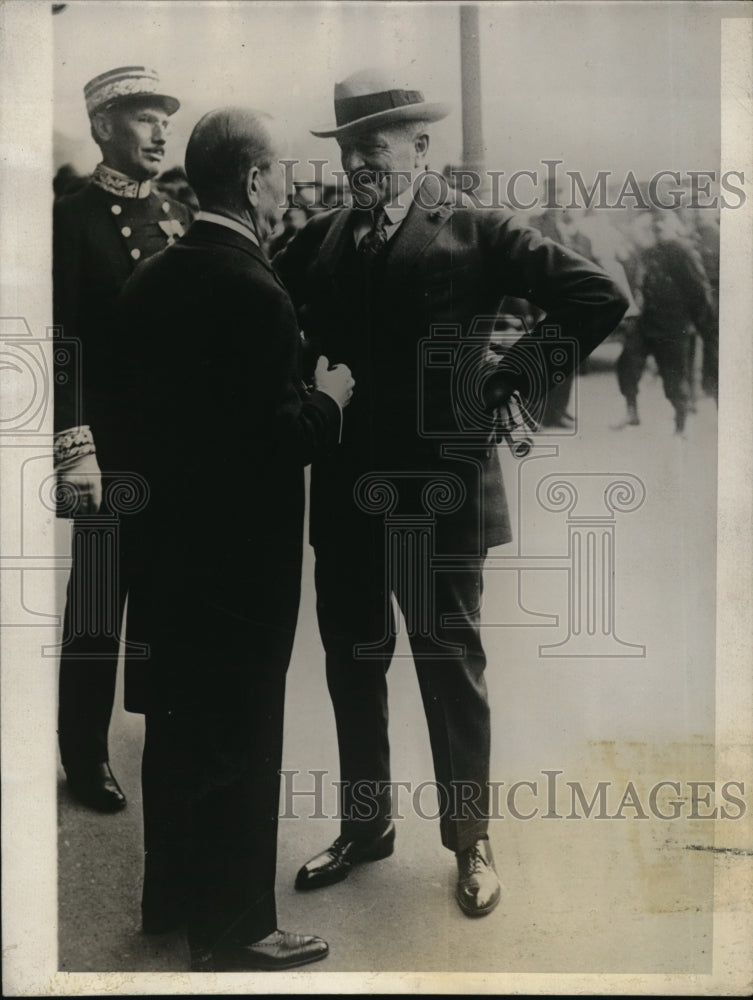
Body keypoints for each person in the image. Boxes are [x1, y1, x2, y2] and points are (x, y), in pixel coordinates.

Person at [274, 67, 629, 918]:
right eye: (349, 143)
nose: (361, 158)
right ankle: (367, 827)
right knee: (352, 660)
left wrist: (509, 381)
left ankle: (470, 842)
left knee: (448, 666)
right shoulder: (319, 239)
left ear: (419, 144)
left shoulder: (474, 228)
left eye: (376, 141)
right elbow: (270, 322)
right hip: (350, 493)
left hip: (440, 493)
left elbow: (597, 295)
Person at [113, 107, 354, 972]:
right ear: (253, 181)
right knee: (241, 737)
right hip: (239, 567)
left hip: (164, 556)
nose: (290, 184)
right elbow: (281, 439)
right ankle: (237, 929)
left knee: (178, 731)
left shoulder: (152, 276)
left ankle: (171, 898)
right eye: (282, 170)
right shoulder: (251, 287)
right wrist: (329, 394)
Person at [53, 66, 191, 812]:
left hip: (170, 449)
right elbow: (59, 341)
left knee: (166, 598)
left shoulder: (176, 213)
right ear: (104, 126)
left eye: (164, 119)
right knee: (99, 607)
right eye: (143, 118)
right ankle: (83, 754)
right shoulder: (70, 218)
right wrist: (76, 447)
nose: (159, 131)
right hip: (106, 452)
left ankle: (163, 733)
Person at [616, 207, 714, 434]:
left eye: (662, 225)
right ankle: (632, 412)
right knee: (627, 363)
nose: (658, 229)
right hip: (647, 321)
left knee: (674, 377)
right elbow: (639, 281)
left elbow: (699, 291)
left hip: (673, 325)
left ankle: (681, 424)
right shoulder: (650, 252)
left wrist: (703, 327)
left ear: (674, 226)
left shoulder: (683, 252)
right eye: (655, 225)